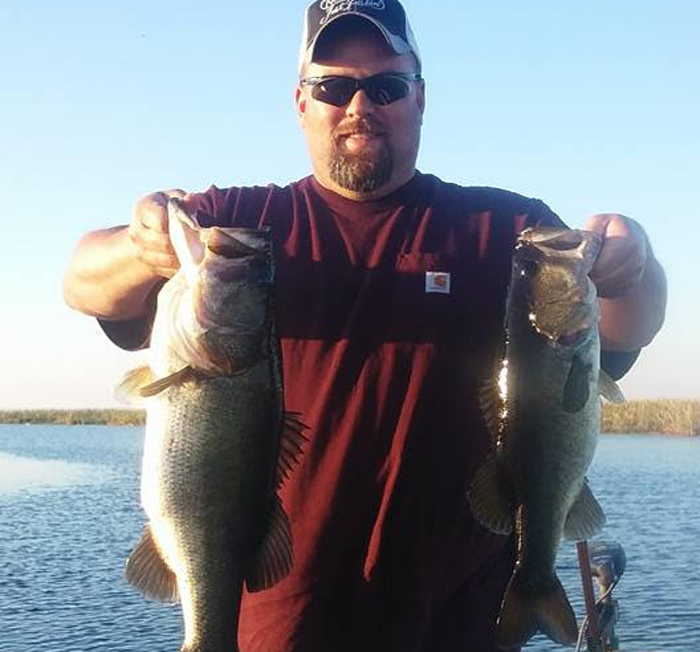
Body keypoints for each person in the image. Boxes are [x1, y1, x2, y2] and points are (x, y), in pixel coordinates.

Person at [63, 1, 667, 650]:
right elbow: (82, 280)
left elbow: (630, 329)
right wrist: (139, 242)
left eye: (385, 86)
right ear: (300, 102)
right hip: (278, 632)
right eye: (333, 87)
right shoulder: (234, 229)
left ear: (421, 98)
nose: (359, 106)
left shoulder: (506, 234)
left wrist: (633, 265)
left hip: (459, 629)